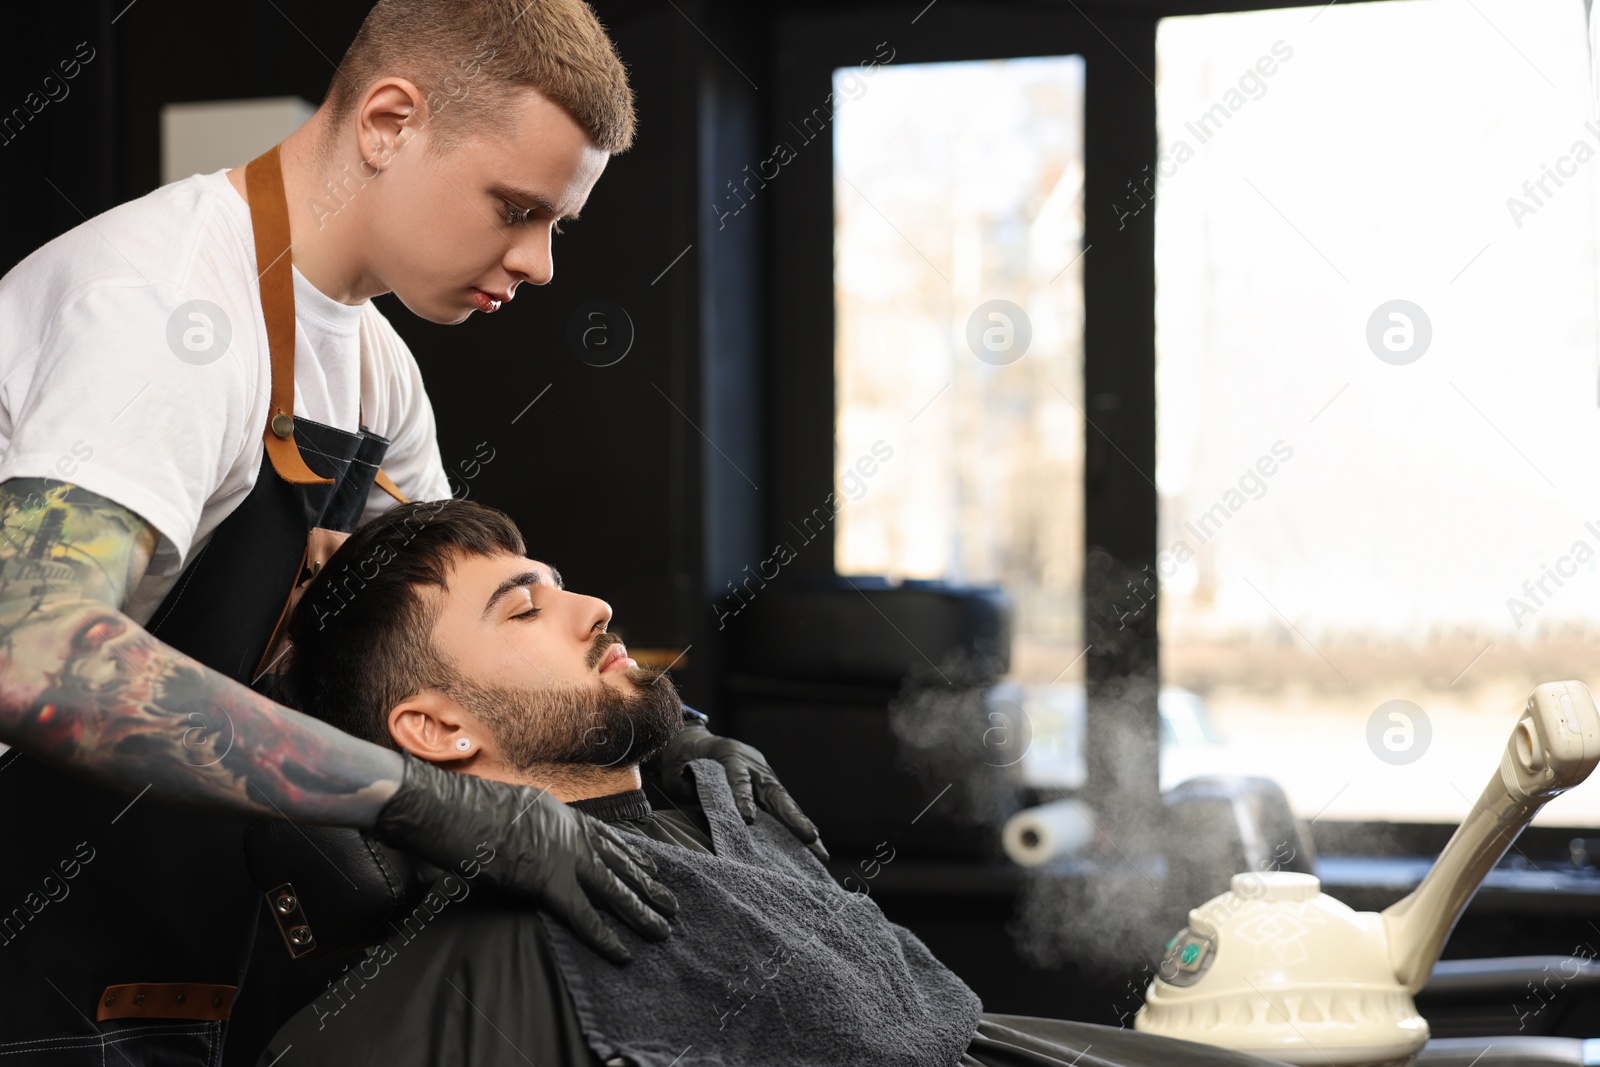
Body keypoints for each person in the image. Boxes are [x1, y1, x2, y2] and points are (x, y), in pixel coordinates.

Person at [0, 3, 818, 1064]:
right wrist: (422, 802)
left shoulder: (375, 368)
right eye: (513, 207)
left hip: (152, 943)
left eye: (555, 226)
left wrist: (665, 727)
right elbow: (28, 653)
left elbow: (455, 634)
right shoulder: (168, 316)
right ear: (388, 123)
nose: (538, 265)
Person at [255, 498, 1288, 1067]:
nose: (596, 608)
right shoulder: (494, 971)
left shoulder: (727, 817)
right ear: (433, 726)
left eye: (564, 586)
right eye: (524, 610)